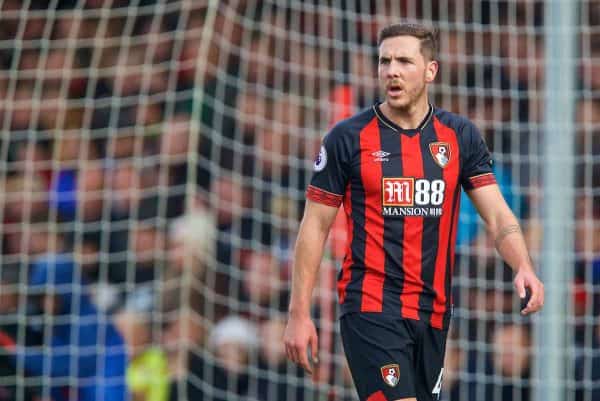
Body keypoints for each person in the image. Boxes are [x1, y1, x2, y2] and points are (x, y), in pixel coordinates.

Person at [283, 22, 544, 401]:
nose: (391, 70)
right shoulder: (347, 138)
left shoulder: (459, 137)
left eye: (404, 61)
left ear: (430, 70)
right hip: (369, 307)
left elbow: (498, 217)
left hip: (433, 313)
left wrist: (523, 265)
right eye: (385, 61)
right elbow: (313, 227)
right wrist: (298, 313)